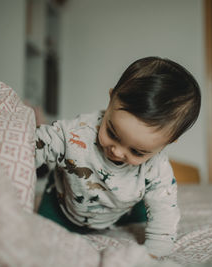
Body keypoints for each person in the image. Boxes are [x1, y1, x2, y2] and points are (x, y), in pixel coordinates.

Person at [34, 56, 201, 257]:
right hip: (62, 206)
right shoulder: (74, 133)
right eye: (112, 133)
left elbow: (164, 212)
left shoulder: (156, 168)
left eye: (137, 152)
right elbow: (34, 145)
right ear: (111, 98)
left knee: (150, 205)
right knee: (38, 235)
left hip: (121, 208)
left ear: (167, 143)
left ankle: (129, 209)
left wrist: (153, 255)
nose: (117, 151)